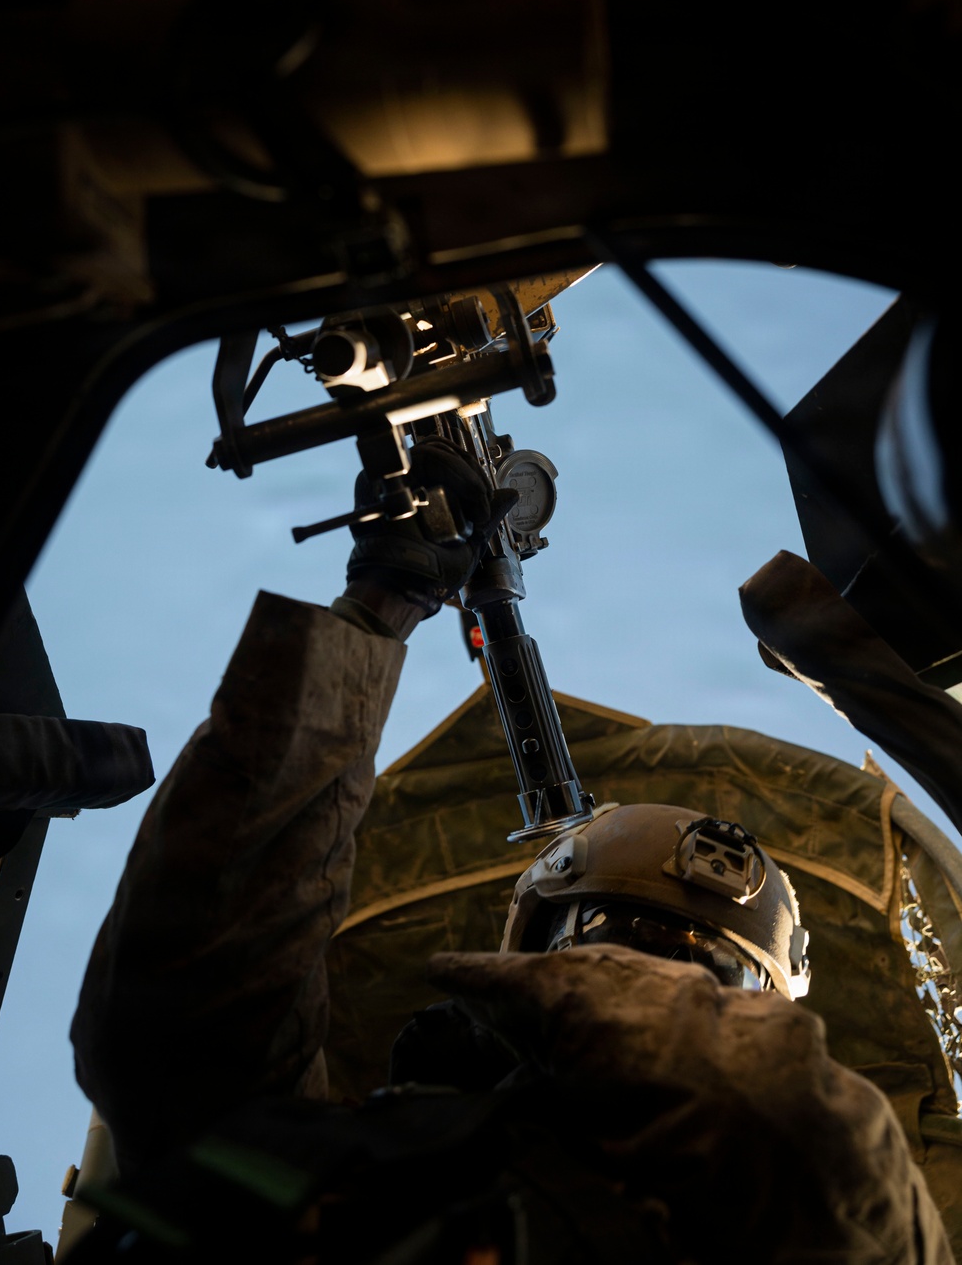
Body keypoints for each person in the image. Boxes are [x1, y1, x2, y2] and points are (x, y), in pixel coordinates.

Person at [69, 443, 952, 1264]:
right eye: (613, 935)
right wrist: (378, 611)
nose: (655, 976)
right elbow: (176, 1024)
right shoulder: (383, 1143)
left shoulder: (819, 1201)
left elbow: (832, 1173)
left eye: (718, 973)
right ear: (530, 957)